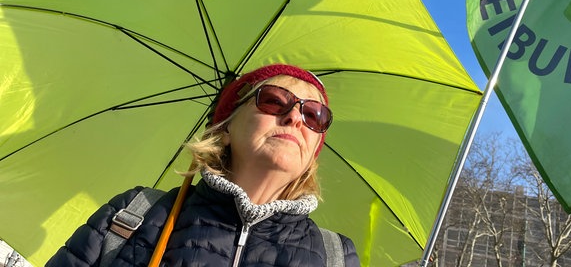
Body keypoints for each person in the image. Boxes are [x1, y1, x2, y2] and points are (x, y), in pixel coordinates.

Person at [46, 63, 360, 266]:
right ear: (225, 128)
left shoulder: (337, 257)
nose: (294, 118)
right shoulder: (133, 213)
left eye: (314, 116)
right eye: (275, 100)